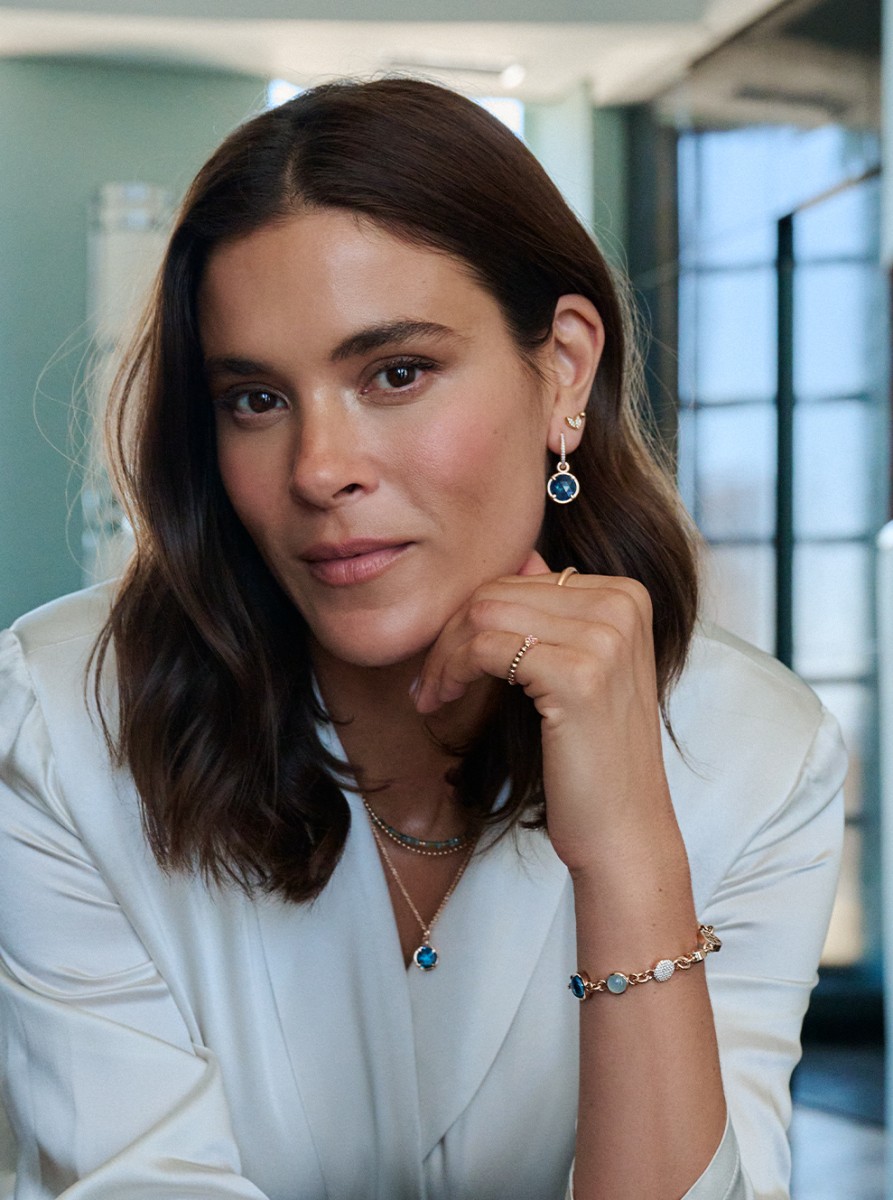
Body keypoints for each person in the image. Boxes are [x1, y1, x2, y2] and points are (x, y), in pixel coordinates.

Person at [0, 78, 845, 1200]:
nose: (318, 469)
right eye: (255, 399)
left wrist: (631, 856)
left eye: (395, 374)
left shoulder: (757, 750)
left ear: (564, 368)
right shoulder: (61, 722)